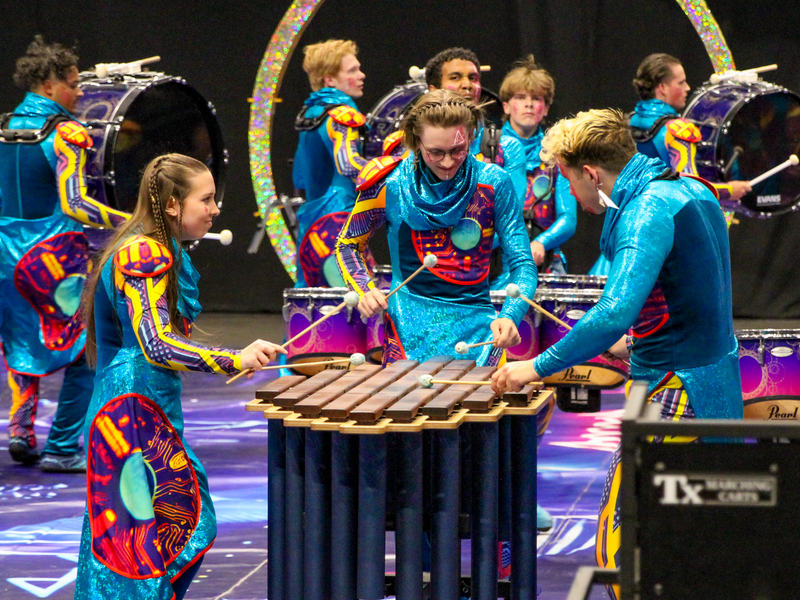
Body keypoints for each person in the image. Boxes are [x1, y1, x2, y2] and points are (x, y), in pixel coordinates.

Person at [491, 108, 743, 598]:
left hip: (677, 390)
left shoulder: (646, 209)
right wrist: (642, 340)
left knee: (624, 543)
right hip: (712, 378)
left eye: (570, 182)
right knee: (699, 539)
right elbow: (694, 291)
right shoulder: (692, 188)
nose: (577, 199)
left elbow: (612, 313)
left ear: (590, 172)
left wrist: (533, 366)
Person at [74, 153, 284, 599]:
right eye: (206, 200)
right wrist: (234, 359)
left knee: (163, 531)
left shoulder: (158, 247)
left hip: (146, 403)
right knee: (151, 536)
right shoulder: (144, 253)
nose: (215, 209)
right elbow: (156, 344)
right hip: (129, 409)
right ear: (172, 204)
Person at [0, 36, 129, 471]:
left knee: (21, 339)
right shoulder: (66, 133)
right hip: (52, 263)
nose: (80, 94)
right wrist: (128, 220)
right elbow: (75, 204)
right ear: (50, 84)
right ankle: (61, 447)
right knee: (83, 349)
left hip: (5, 257)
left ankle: (21, 429)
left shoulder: (3, 127)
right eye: (74, 84)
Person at [335, 89, 536, 366]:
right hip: (407, 329)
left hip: (480, 330)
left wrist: (511, 314)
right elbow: (348, 245)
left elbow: (523, 264)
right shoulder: (389, 184)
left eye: (458, 150)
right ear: (416, 142)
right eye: (435, 152)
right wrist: (363, 289)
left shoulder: (494, 183)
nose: (447, 162)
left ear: (471, 137)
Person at [425, 47, 526, 289]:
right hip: (431, 275)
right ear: (432, 90)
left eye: (473, 78)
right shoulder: (415, 148)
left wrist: (464, 249)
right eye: (455, 77)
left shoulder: (507, 147)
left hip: (492, 280)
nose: (467, 85)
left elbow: (511, 221)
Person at [291, 38, 370, 287]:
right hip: (339, 220)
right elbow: (348, 165)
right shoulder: (342, 115)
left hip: (313, 220)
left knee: (312, 300)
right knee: (350, 302)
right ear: (330, 80)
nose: (362, 75)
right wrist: (392, 169)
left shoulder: (311, 112)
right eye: (352, 70)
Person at [629, 52, 751, 203]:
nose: (687, 88)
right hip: (667, 219)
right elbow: (689, 189)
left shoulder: (629, 121)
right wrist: (729, 190)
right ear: (662, 88)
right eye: (681, 83)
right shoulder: (677, 130)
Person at [499, 54, 577, 275]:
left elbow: (569, 219)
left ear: (546, 108)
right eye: (520, 97)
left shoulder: (558, 153)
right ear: (506, 106)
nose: (529, 104)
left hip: (544, 262)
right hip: (492, 261)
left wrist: (541, 242)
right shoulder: (487, 150)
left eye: (537, 98)